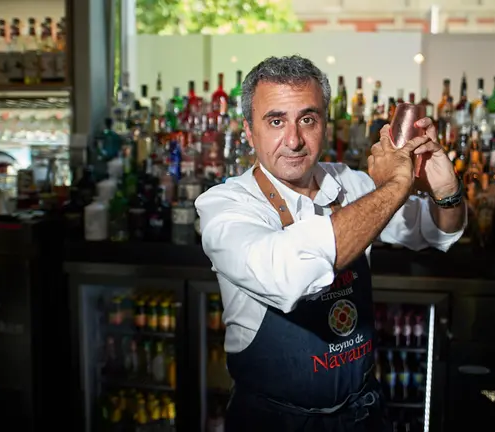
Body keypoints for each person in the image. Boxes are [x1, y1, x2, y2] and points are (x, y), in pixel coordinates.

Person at [195, 55, 466, 432]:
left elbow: (436, 230)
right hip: (275, 422)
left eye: (307, 119)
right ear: (248, 131)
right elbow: (288, 275)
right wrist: (395, 185)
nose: (293, 140)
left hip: (361, 414)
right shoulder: (225, 206)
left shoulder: (348, 184)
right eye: (276, 121)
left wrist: (447, 191)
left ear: (325, 123)